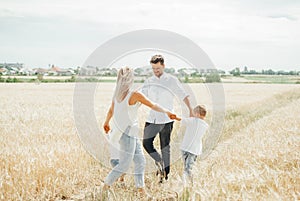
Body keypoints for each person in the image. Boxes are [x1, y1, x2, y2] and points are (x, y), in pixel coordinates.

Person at [102, 67, 178, 198]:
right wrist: (167, 112)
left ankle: (141, 190)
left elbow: (111, 110)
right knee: (124, 164)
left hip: (123, 131)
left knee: (140, 161)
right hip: (128, 132)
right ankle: (105, 186)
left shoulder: (117, 94)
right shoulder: (134, 94)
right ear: (130, 79)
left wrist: (106, 122)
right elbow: (152, 105)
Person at [141, 55, 193, 182]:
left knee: (165, 147)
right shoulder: (149, 81)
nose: (156, 71)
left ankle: (165, 175)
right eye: (153, 68)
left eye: (158, 68)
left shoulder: (172, 80)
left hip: (166, 119)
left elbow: (183, 95)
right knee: (146, 143)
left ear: (163, 66)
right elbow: (142, 97)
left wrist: (191, 109)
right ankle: (159, 162)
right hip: (152, 118)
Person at [177, 105, 209, 187]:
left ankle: (186, 184)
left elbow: (181, 120)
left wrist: (172, 116)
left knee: (187, 168)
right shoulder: (205, 125)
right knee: (190, 167)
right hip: (195, 150)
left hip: (185, 147)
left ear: (197, 114)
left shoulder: (192, 121)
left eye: (194, 113)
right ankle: (190, 183)